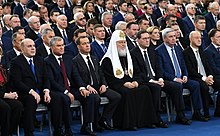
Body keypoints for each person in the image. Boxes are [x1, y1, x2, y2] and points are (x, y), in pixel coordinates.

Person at [101, 30, 158, 130]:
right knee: (127, 92)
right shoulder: (108, 59)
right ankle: (129, 124)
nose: (123, 45)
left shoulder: (129, 56)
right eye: (120, 42)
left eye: (124, 42)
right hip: (118, 85)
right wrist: (124, 84)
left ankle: (146, 121)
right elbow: (109, 78)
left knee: (144, 89)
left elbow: (137, 72)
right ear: (114, 44)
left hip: (131, 83)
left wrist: (136, 81)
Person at [131, 30, 188, 126]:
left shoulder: (153, 51)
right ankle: (156, 117)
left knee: (176, 86)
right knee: (156, 87)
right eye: (144, 39)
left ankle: (180, 115)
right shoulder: (133, 53)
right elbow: (137, 72)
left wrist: (160, 78)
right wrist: (153, 81)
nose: (147, 41)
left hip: (157, 79)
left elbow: (158, 67)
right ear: (138, 40)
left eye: (148, 38)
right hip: (145, 80)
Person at [9, 38, 63, 136]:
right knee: (30, 100)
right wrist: (31, 92)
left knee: (56, 98)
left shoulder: (40, 60)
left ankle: (58, 130)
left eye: (34, 46)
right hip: (25, 93)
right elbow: (17, 82)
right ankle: (29, 132)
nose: (33, 48)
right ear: (22, 48)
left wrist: (46, 91)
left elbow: (46, 78)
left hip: (40, 92)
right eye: (29, 46)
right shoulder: (16, 62)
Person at [155, 28, 206, 124]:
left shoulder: (178, 48)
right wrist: (174, 78)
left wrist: (185, 75)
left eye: (174, 36)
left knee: (195, 84)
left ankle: (197, 111)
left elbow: (183, 65)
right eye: (170, 37)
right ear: (164, 39)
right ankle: (180, 114)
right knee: (177, 86)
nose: (173, 39)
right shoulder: (159, 51)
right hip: (168, 80)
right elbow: (161, 70)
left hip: (182, 78)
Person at [73, 36, 121, 135]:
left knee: (116, 96)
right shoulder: (75, 61)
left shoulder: (94, 58)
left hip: (98, 87)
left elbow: (101, 73)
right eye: (84, 44)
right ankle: (89, 124)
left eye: (88, 43)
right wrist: (86, 86)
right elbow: (76, 78)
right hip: (86, 88)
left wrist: (104, 84)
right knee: (95, 98)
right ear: (78, 47)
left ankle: (102, 119)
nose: (87, 45)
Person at [183, 31, 220, 119]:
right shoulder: (186, 53)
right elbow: (191, 70)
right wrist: (204, 78)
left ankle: (218, 110)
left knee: (219, 83)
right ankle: (205, 112)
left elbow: (208, 66)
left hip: (206, 76)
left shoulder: (202, 51)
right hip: (195, 77)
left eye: (200, 38)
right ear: (190, 39)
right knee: (204, 87)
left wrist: (210, 76)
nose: (199, 40)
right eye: (196, 38)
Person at [0, 46, 23, 136]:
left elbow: (8, 84)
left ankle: (9, 132)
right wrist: (5, 95)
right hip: (2, 96)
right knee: (5, 107)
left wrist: (12, 93)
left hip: (3, 95)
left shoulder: (2, 69)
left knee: (17, 105)